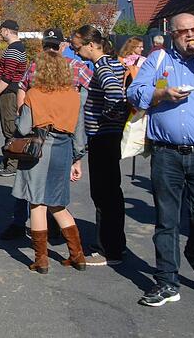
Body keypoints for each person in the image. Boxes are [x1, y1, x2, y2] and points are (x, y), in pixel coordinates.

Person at [127, 12, 194, 307]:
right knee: (166, 220)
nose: (190, 35)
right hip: (166, 154)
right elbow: (135, 93)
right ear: (172, 34)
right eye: (183, 31)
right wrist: (162, 94)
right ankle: (167, 281)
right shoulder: (159, 61)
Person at [0, 28, 92, 241]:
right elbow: (87, 100)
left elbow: (23, 93)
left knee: (32, 191)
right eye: (48, 45)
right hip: (61, 136)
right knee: (54, 191)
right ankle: (70, 248)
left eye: (52, 45)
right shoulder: (71, 70)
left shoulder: (42, 67)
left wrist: (25, 111)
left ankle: (37, 246)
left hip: (39, 135)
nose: (50, 49)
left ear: (62, 46)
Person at [11, 47, 87, 274]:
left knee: (37, 204)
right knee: (58, 204)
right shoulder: (74, 95)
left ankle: (41, 260)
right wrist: (77, 160)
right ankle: (78, 255)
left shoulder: (34, 94)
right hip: (63, 151)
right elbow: (79, 133)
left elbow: (23, 127)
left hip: (39, 151)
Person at [76, 24, 128, 267]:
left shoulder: (103, 67)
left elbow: (116, 96)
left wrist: (107, 118)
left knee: (104, 194)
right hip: (108, 136)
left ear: (90, 45)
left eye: (78, 48)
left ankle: (108, 249)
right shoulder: (113, 63)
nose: (77, 53)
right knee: (111, 193)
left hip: (103, 137)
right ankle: (114, 244)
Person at [0, 20, 28, 178]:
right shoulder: (16, 48)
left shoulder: (14, 49)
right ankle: (7, 159)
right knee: (7, 128)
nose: (0, 33)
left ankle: (13, 163)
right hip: (8, 91)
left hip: (9, 92)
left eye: (1, 30)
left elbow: (7, 75)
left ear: (6, 31)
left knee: (10, 128)